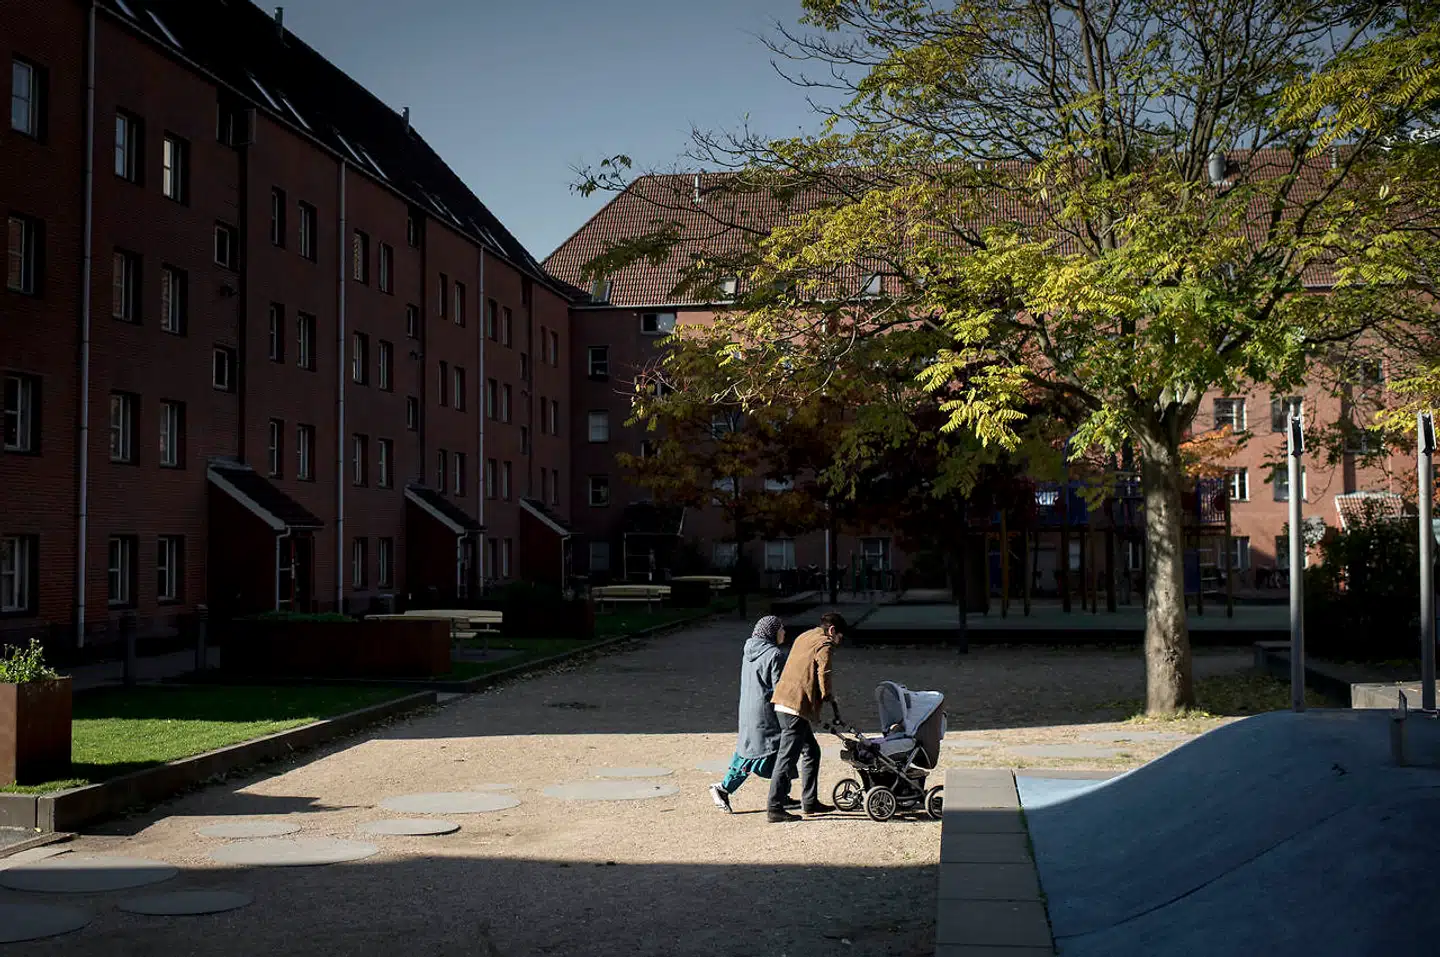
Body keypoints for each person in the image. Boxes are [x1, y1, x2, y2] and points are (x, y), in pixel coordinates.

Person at [766, 612, 849, 823]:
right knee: (787, 758)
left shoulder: (805, 636)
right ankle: (774, 807)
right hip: (795, 707)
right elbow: (824, 673)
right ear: (832, 631)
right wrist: (829, 697)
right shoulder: (825, 644)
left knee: (811, 750)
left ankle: (809, 802)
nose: (839, 642)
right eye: (840, 637)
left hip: (784, 701)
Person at [708, 615, 796, 813]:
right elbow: (779, 688)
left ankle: (782, 794)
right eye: (781, 629)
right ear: (772, 632)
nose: (784, 632)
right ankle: (723, 788)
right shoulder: (774, 654)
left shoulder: (750, 651)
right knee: (762, 753)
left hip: (750, 709)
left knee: (759, 750)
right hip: (765, 712)